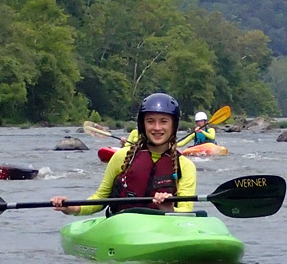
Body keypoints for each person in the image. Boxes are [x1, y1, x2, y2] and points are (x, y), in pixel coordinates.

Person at [52, 92, 197, 215]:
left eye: (164, 121)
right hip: (122, 229)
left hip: (162, 229)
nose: (157, 127)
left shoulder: (185, 166)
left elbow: (186, 210)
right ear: (143, 125)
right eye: (150, 121)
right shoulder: (121, 157)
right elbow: (100, 198)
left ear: (173, 125)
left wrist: (169, 209)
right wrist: (71, 208)